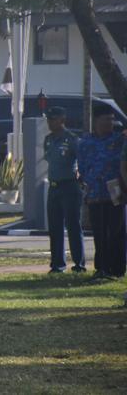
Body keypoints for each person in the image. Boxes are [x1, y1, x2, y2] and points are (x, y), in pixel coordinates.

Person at [77, 107, 126, 279]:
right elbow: (82, 166)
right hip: (95, 190)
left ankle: (118, 268)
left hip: (115, 188)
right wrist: (87, 182)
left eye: (112, 119)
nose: (110, 123)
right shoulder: (85, 142)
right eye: (106, 119)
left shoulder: (119, 139)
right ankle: (102, 268)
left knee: (116, 229)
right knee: (99, 231)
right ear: (96, 121)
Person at [42, 107, 86, 273]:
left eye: (53, 119)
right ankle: (57, 265)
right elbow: (49, 159)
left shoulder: (72, 139)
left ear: (62, 120)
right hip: (54, 188)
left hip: (69, 186)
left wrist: (81, 180)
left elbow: (81, 160)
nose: (50, 123)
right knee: (55, 228)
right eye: (48, 120)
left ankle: (79, 264)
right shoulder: (48, 139)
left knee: (73, 226)